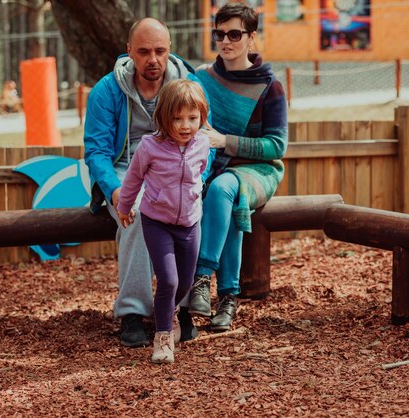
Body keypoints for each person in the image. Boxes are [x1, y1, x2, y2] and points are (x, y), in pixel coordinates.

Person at [84, 18, 204, 347]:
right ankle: (133, 311)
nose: (153, 59)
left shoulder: (188, 85)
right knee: (136, 213)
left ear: (170, 50)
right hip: (124, 169)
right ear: (129, 52)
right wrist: (114, 189)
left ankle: (179, 309)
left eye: (160, 51)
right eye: (144, 51)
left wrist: (197, 181)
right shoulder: (107, 91)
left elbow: (202, 140)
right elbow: (96, 151)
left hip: (173, 167)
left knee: (186, 214)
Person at [188, 2, 288, 331]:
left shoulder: (270, 87)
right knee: (224, 197)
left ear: (251, 38)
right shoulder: (203, 79)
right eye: (220, 34)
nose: (226, 41)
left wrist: (225, 141)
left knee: (224, 189)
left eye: (234, 34)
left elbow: (277, 147)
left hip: (259, 169)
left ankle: (202, 279)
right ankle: (228, 298)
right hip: (213, 167)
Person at [117, 79, 212, 363]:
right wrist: (124, 207)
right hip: (157, 222)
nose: (185, 125)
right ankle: (163, 338)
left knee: (184, 281)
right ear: (162, 118)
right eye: (177, 118)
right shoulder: (150, 146)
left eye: (192, 118)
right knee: (168, 280)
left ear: (201, 118)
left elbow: (200, 172)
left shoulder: (202, 144)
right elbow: (133, 178)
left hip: (190, 223)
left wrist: (195, 194)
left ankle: (167, 314)